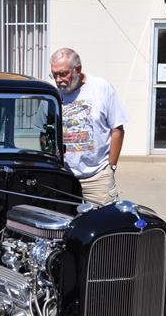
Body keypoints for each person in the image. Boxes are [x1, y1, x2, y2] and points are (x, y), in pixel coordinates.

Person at [49, 47, 128, 204]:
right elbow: (42, 131)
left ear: (78, 69)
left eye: (63, 74)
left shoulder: (101, 87)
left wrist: (111, 168)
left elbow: (117, 129)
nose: (58, 80)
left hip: (97, 178)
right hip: (64, 176)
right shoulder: (53, 94)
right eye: (54, 74)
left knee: (104, 218)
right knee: (63, 218)